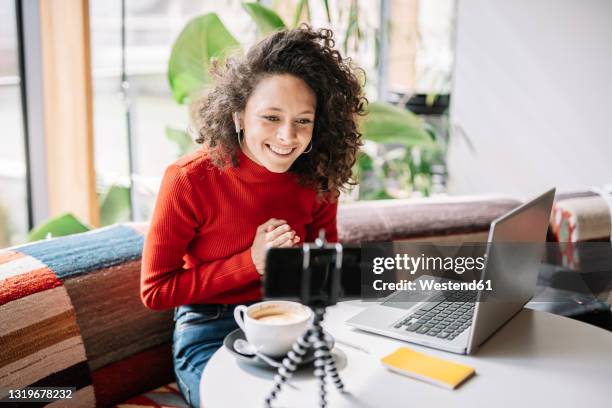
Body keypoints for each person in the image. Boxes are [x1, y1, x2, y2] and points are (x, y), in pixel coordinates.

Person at [140, 25, 366, 408]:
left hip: (294, 319)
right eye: (271, 117)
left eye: (303, 121)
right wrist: (251, 262)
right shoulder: (189, 180)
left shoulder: (318, 172)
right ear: (240, 116)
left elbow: (323, 273)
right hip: (209, 327)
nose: (287, 137)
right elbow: (156, 291)